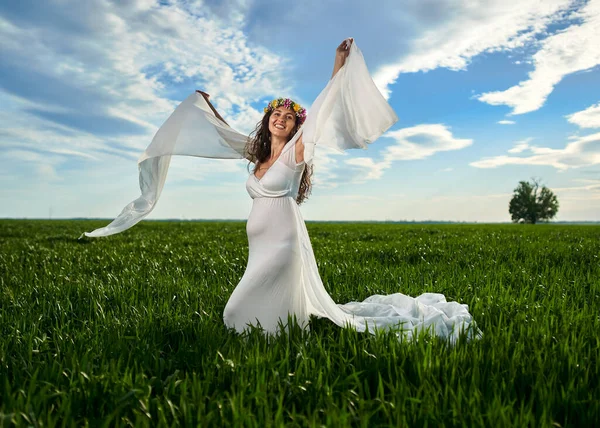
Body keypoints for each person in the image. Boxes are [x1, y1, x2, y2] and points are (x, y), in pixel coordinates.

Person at [81, 38, 479, 342]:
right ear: (268, 118)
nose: (282, 120)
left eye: (289, 118)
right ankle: (286, 332)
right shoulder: (255, 155)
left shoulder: (296, 154)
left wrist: (337, 68)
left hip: (284, 241)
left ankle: (287, 334)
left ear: (294, 128)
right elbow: (223, 133)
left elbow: (322, 110)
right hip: (259, 246)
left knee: (237, 314)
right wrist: (206, 107)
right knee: (250, 318)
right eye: (278, 114)